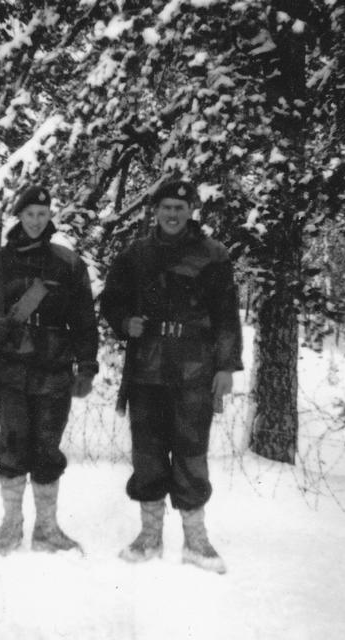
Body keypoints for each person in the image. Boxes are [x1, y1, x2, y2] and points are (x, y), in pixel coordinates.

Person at [100, 179, 242, 573]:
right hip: (146, 369)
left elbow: (227, 317)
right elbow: (111, 302)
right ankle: (149, 537)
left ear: (192, 210)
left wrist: (227, 366)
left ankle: (196, 540)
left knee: (191, 452)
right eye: (166, 208)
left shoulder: (213, 256)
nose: (173, 215)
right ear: (156, 211)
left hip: (195, 369)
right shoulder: (136, 255)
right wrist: (124, 321)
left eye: (180, 208)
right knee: (147, 452)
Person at [0, 184, 98, 555]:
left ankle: (47, 530)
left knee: (48, 448)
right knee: (14, 445)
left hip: (54, 371)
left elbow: (85, 320)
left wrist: (87, 365)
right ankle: (11, 525)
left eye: (42, 214)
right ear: (18, 216)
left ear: (50, 216)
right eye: (30, 214)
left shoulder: (67, 263)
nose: (36, 221)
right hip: (10, 372)